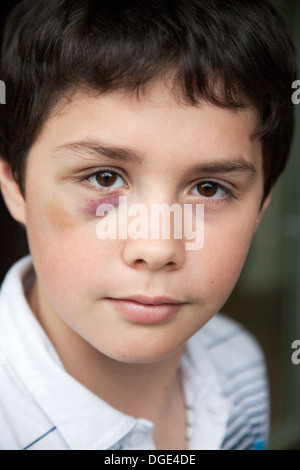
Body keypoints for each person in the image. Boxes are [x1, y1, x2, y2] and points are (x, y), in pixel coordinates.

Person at [0, 0, 296, 451]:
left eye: (209, 188)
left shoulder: (239, 363)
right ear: (14, 185)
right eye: (104, 178)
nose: (158, 247)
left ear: (261, 207)